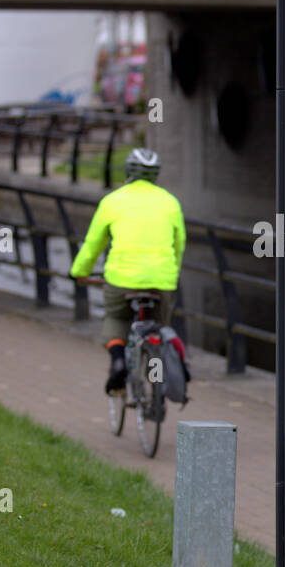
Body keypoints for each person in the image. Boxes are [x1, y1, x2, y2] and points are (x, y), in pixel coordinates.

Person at [69, 148, 185, 393]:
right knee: (159, 325)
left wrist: (79, 272)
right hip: (161, 279)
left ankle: (119, 361)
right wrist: (170, 272)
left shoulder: (112, 201)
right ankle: (157, 378)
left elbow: (93, 245)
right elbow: (179, 245)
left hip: (121, 279)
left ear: (128, 171)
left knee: (116, 318)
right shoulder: (170, 202)